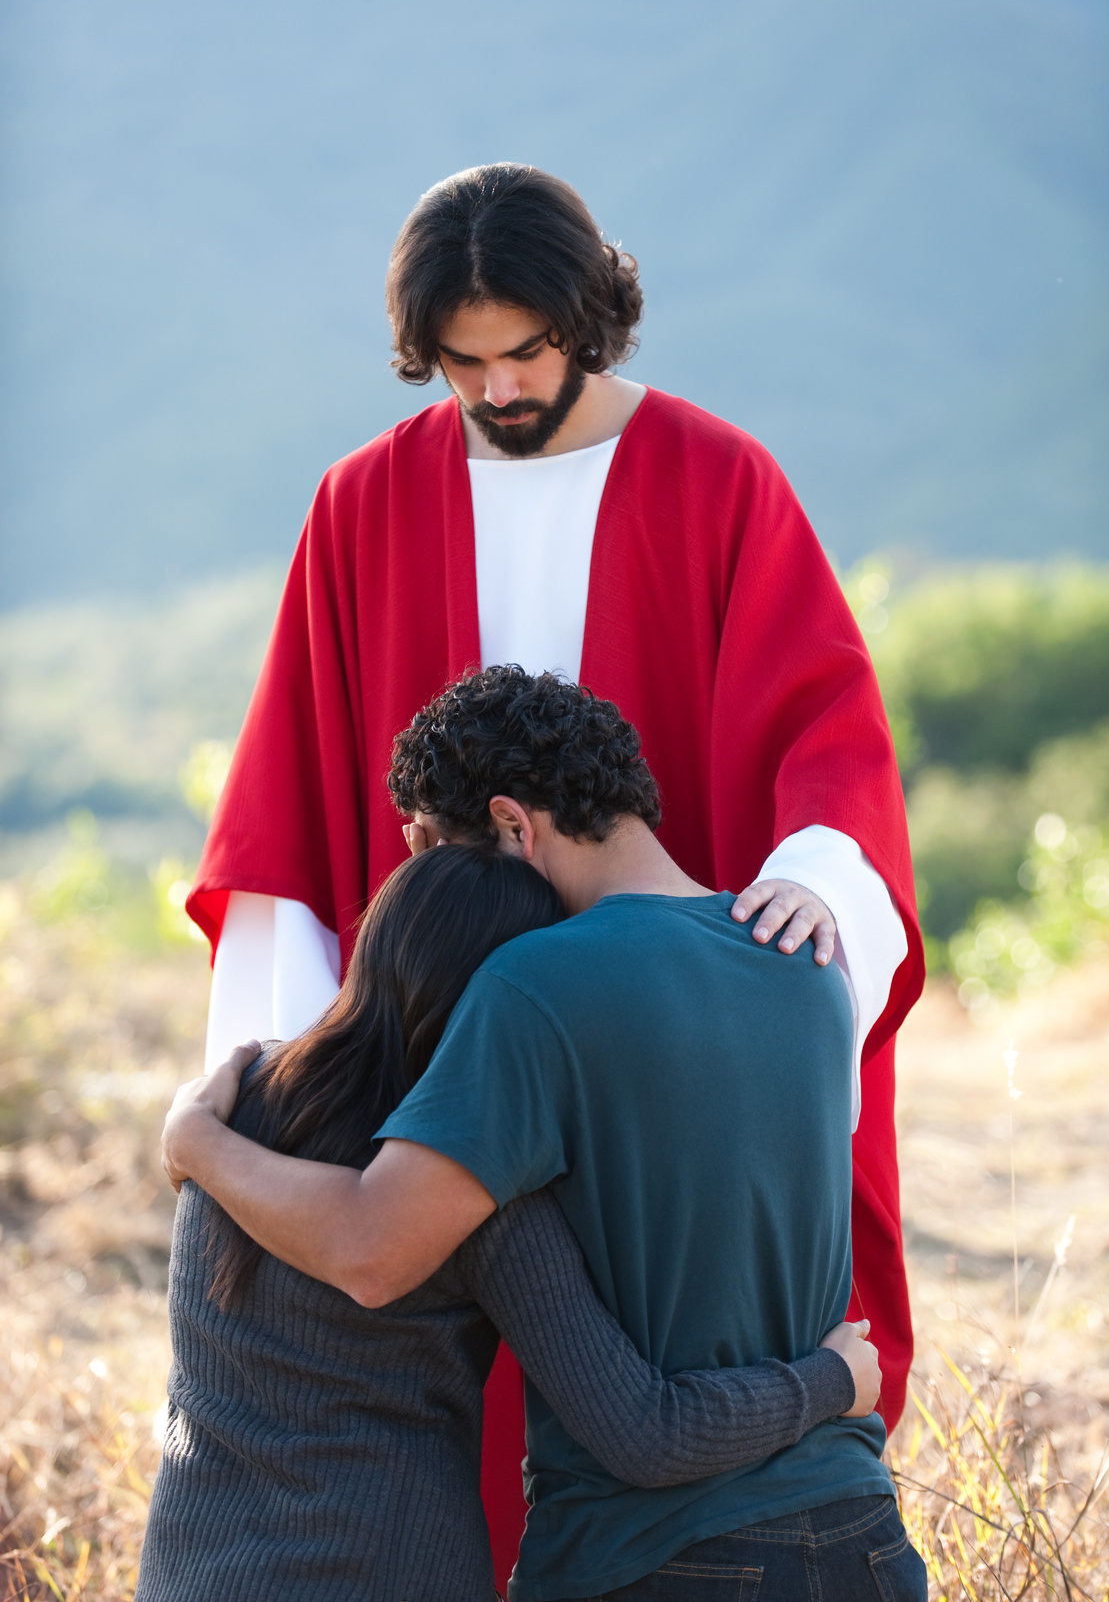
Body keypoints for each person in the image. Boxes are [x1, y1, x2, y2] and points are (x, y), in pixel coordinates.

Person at [187, 162, 923, 1581]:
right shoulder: (363, 504)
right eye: (464, 363)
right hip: (458, 1060)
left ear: (591, 318)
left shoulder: (716, 480)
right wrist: (275, 1085)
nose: (500, 387)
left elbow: (829, 732)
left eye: (527, 350)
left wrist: (817, 883)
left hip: (661, 1050)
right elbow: (285, 796)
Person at [164, 669, 928, 1601]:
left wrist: (198, 1145)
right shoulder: (805, 960)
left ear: (513, 826)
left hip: (657, 1556)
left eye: (440, 853)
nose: (434, 888)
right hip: (861, 1533)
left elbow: (371, 1247)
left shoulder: (529, 987)